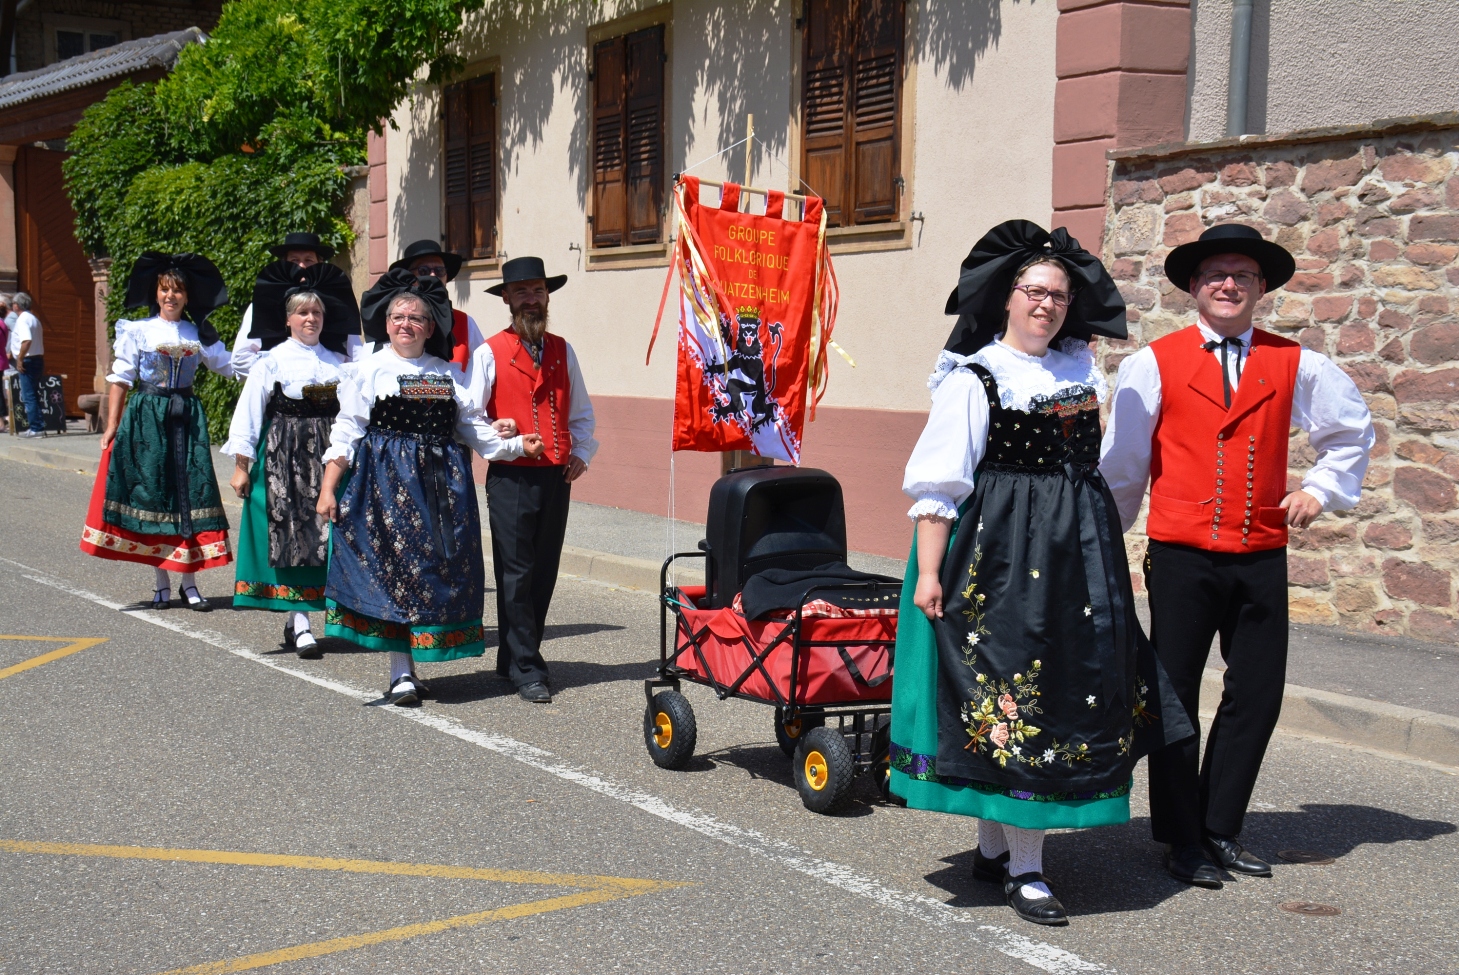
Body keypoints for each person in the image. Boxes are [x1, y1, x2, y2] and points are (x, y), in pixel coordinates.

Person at [892, 221, 1193, 927]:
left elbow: (1099, 466)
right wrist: (929, 575)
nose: (1046, 303)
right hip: (997, 558)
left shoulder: (1079, 369)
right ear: (1006, 296)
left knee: (1061, 688)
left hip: (1077, 555)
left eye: (1057, 294)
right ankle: (1025, 869)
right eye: (1033, 290)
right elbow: (940, 484)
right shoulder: (974, 376)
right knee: (1016, 697)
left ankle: (997, 851)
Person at [1100, 224, 1374, 887]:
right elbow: (1123, 466)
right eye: (1215, 274)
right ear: (1194, 287)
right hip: (1181, 554)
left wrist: (1319, 488)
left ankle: (1220, 827)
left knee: (1256, 694)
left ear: (1260, 290)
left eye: (1242, 276)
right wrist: (1103, 545)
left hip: (1258, 554)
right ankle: (1181, 837)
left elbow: (1350, 429)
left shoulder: (1295, 362)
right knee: (1172, 697)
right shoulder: (1153, 361)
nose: (1227, 284)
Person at [318, 270, 544, 707]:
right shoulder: (368, 369)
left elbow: (474, 431)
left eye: (416, 318)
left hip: (442, 490)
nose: (406, 324)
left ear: (431, 327)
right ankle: (400, 671)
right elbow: (346, 431)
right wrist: (329, 489)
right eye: (398, 316)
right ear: (386, 323)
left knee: (432, 573)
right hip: (385, 487)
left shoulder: (446, 375)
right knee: (395, 573)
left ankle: (414, 664)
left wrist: (518, 445)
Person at [465, 256, 598, 705]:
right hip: (511, 477)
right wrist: (508, 440)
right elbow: (470, 417)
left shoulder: (563, 349)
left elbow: (581, 411)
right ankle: (527, 667)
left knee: (542, 572)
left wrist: (581, 452)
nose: (531, 299)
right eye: (521, 292)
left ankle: (512, 655)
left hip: (555, 477)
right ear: (507, 299)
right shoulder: (490, 351)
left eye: (538, 291)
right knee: (516, 573)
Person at [80, 253, 234, 609]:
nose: (171, 296)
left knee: (189, 496)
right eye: (165, 290)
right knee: (153, 495)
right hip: (147, 417)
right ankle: (161, 582)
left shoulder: (199, 334)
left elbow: (227, 366)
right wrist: (112, 426)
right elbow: (120, 379)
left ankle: (190, 584)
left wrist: (262, 351)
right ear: (156, 293)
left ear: (186, 296)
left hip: (187, 418)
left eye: (177, 291)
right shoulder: (138, 330)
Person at [222, 261, 360, 657]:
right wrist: (240, 466)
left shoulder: (338, 362)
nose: (311, 319)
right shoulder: (271, 361)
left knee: (328, 533)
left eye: (316, 312)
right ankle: (301, 623)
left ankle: (299, 616)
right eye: (302, 312)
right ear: (287, 320)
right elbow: (248, 413)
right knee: (292, 535)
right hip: (285, 455)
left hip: (330, 455)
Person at [231, 233, 363, 377]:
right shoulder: (264, 304)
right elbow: (241, 359)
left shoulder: (339, 304)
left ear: (319, 263)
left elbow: (357, 358)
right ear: (285, 263)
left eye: (308, 260)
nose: (302, 266)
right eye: (294, 260)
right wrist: (282, 375)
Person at [391, 239, 484, 375]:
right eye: (424, 270)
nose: (433, 276)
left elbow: (484, 371)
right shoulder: (394, 322)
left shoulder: (465, 323)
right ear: (409, 277)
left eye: (439, 271)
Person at [10, 292, 45, 438]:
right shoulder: (34, 319)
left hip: (28, 360)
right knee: (34, 394)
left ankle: (36, 428)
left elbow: (27, 340)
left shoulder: (23, 320)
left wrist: (20, 359)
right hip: (37, 359)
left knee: (29, 395)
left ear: (17, 305)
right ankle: (39, 425)